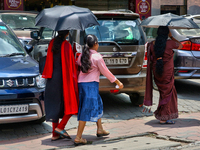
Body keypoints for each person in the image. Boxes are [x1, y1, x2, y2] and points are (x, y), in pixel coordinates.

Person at [74, 34, 124, 145]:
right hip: (90, 85)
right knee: (86, 110)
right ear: (95, 44)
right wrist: (117, 82)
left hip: (82, 84)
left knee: (98, 103)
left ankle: (100, 129)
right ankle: (78, 137)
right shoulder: (97, 57)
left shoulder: (82, 55)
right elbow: (106, 72)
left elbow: (77, 64)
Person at [42, 30, 79, 141]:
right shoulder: (66, 45)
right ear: (67, 33)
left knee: (55, 106)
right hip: (63, 79)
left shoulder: (52, 42)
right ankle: (60, 127)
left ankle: (55, 134)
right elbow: (70, 64)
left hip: (52, 79)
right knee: (72, 104)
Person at [144, 26, 183, 124]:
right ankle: (164, 117)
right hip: (167, 72)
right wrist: (172, 36)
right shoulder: (170, 43)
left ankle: (163, 115)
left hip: (157, 71)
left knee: (163, 93)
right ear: (167, 33)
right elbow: (180, 45)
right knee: (167, 93)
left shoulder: (152, 44)